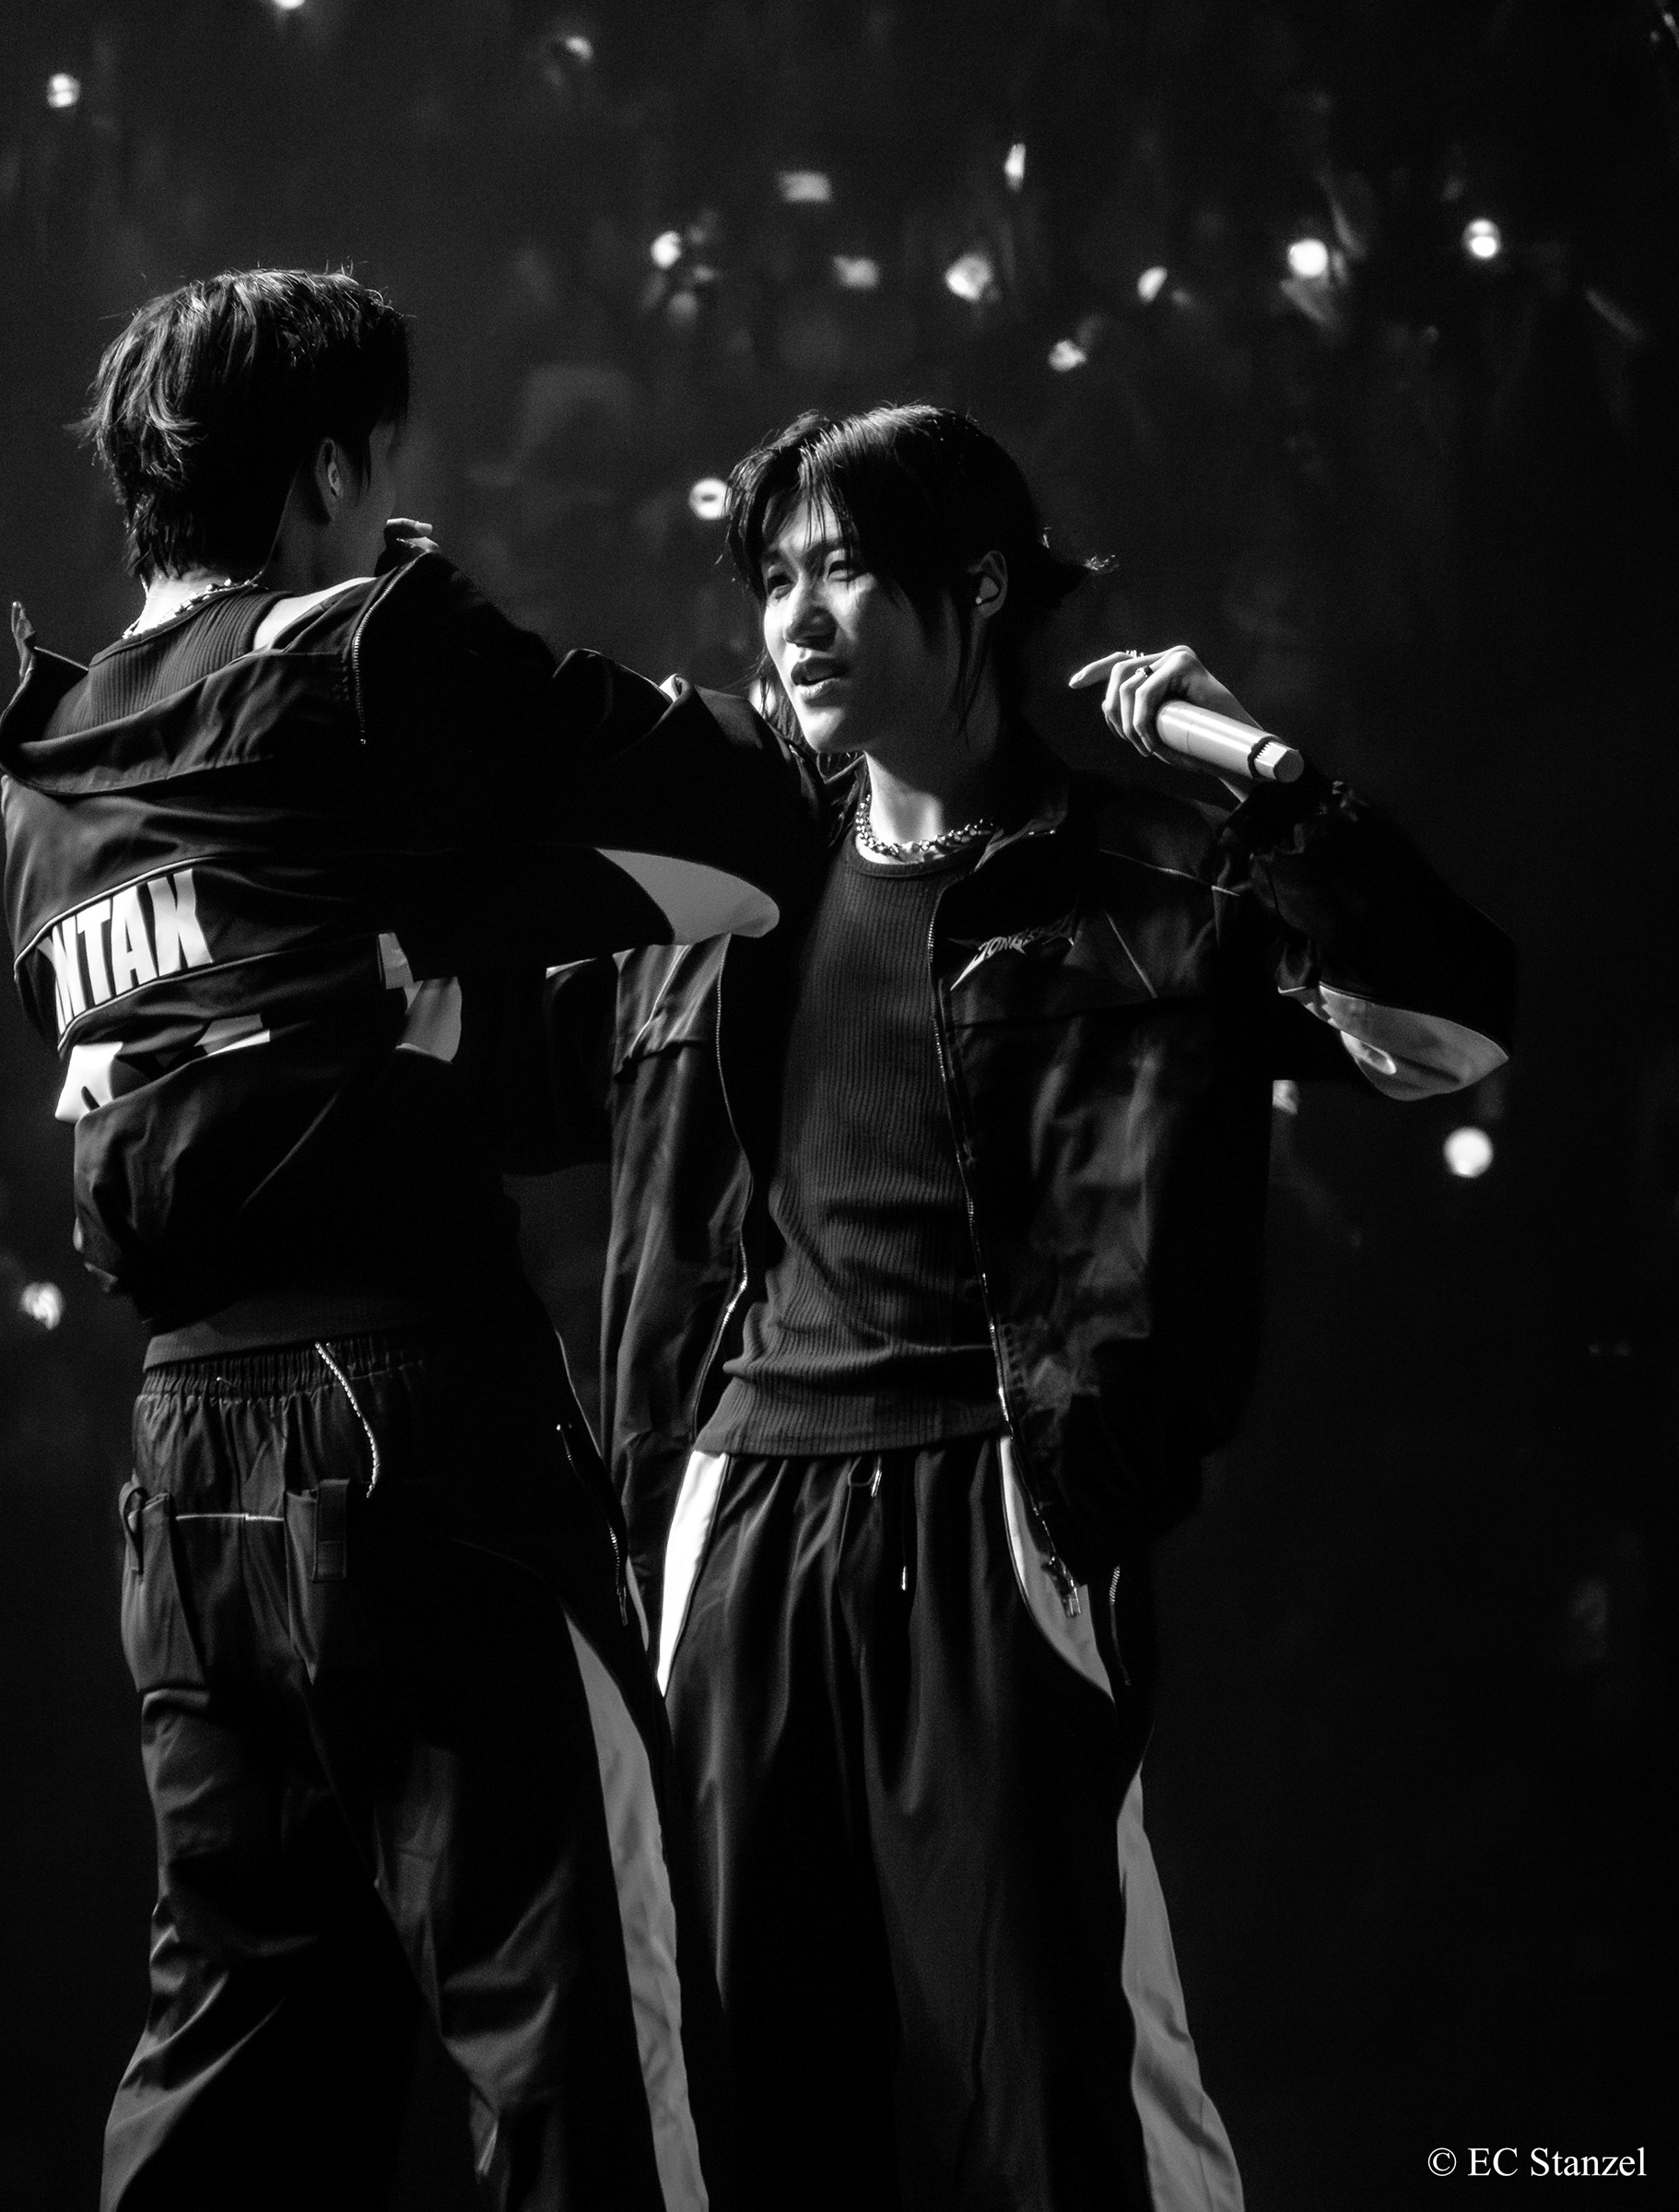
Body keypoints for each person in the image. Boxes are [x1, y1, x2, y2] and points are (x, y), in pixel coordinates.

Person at [545, 404, 1514, 2212]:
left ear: (983, 588)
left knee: (1062, 2096)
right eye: (775, 576)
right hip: (741, 1523)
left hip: (994, 1513)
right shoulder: (726, 890)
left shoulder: (1146, 873)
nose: (797, 616)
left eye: (845, 567)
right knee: (757, 2097)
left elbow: (1446, 1033)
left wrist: (1265, 779)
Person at [0, 268, 809, 2212]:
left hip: (184, 1474)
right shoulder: (376, 649)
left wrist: (406, 940)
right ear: (328, 475)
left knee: (231, 2080)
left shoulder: (46, 755)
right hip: (408, 1427)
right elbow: (748, 823)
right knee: (586, 2050)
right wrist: (462, 893)